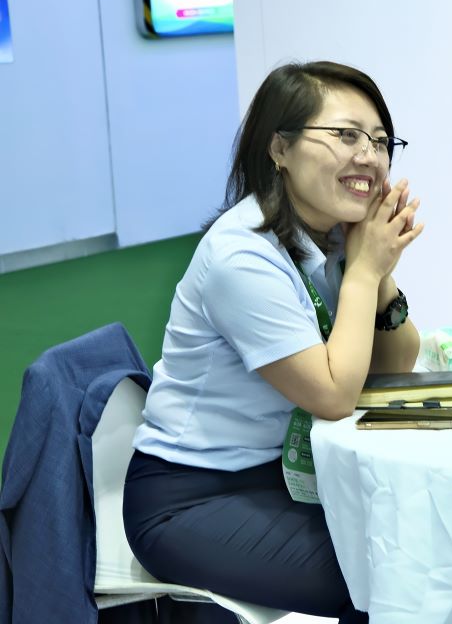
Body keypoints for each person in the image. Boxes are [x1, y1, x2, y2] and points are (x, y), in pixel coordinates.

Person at [124, 61, 424, 623]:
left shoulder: (335, 235)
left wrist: (379, 273)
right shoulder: (241, 256)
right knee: (386, 577)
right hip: (192, 498)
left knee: (425, 540)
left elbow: (395, 367)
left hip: (285, 478)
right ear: (280, 148)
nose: (369, 156)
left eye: (382, 141)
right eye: (346, 135)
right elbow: (334, 395)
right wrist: (364, 272)